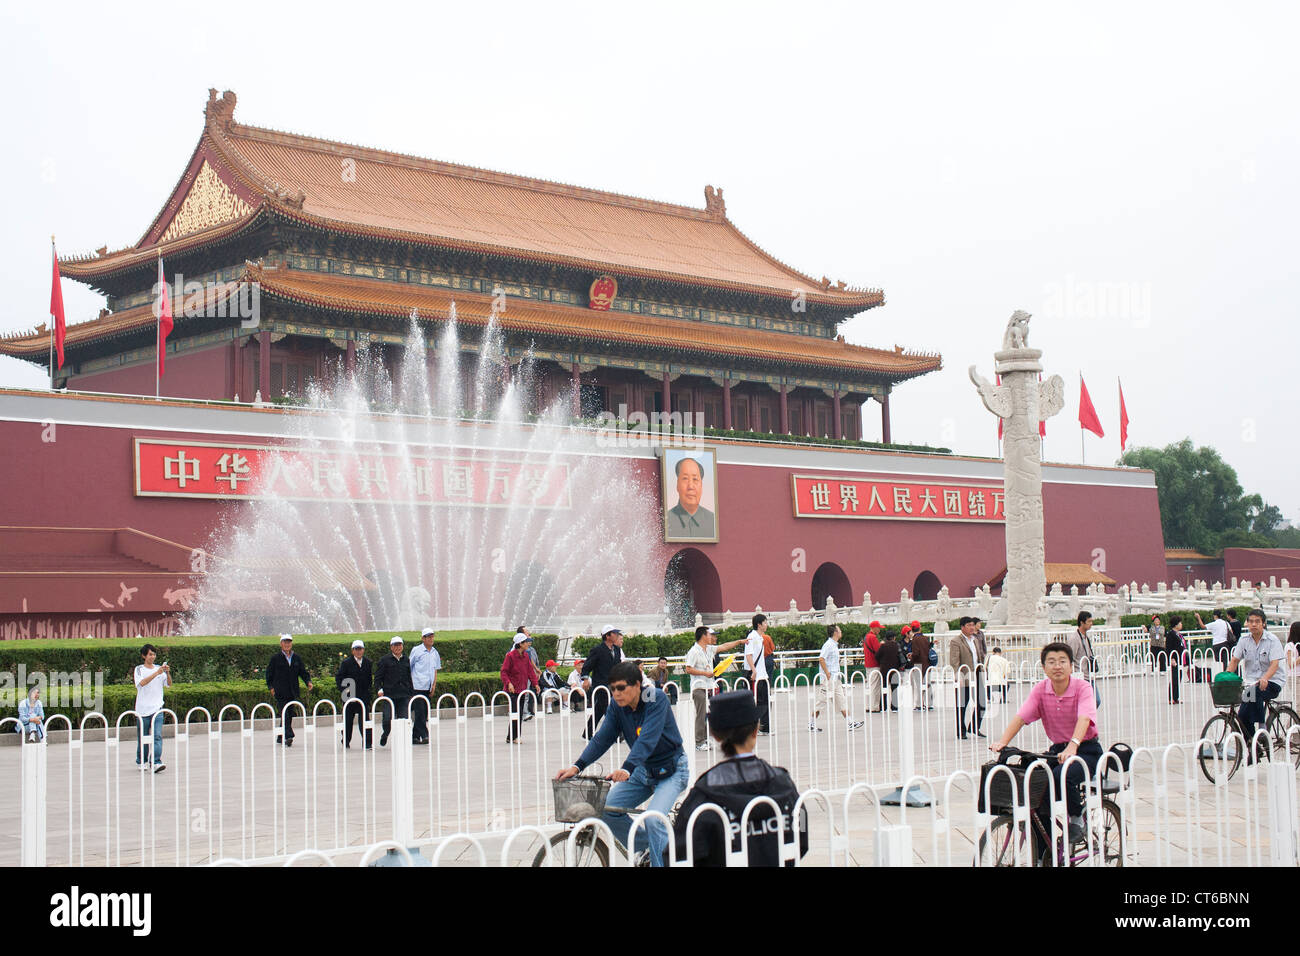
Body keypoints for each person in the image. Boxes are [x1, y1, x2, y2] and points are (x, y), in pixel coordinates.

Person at [554, 661, 689, 867]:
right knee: (605, 808)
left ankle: (660, 853)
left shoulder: (656, 698)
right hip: (643, 771)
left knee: (653, 820)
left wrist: (627, 768)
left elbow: (647, 738)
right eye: (613, 688)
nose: (616, 693)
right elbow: (602, 738)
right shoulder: (617, 707)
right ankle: (654, 846)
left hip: (671, 770)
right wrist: (577, 766)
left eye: (621, 688)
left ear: (637, 685)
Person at [672, 689, 808, 866]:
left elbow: (679, 852)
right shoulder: (784, 784)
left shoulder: (703, 794)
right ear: (756, 728)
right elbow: (801, 836)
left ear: (714, 734)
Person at [991, 642, 1102, 845]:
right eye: (1051, 662)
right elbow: (1021, 717)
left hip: (1086, 749)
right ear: (1044, 667)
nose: (1057, 666)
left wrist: (1073, 746)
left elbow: (1084, 718)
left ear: (1071, 666)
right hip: (1058, 750)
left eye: (1062, 661)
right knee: (1034, 784)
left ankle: (1077, 820)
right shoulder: (1041, 690)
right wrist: (1003, 742)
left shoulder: (1083, 688)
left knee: (1063, 775)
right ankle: (1046, 850)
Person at [1227, 609, 1288, 758]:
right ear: (1247, 623)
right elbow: (1235, 660)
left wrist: (1265, 678)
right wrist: (1226, 676)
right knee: (1241, 716)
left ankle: (1263, 730)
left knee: (1256, 694)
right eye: (1251, 621)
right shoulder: (1244, 640)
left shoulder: (1272, 640)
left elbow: (1274, 664)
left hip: (1273, 681)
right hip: (1252, 684)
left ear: (1263, 623)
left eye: (1257, 622)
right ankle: (1254, 747)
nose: (1254, 624)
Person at [683, 625, 745, 751]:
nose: (713, 637)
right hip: (699, 687)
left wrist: (739, 642)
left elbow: (724, 646)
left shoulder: (709, 649)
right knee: (701, 714)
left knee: (709, 713)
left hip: (709, 686)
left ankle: (705, 738)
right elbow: (688, 668)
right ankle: (699, 742)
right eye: (710, 634)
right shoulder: (694, 651)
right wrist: (705, 673)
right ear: (703, 636)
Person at [809, 625, 863, 732]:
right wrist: (827, 673)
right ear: (835, 632)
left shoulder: (834, 645)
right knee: (821, 701)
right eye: (839, 630)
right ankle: (811, 723)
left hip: (836, 678)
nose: (841, 632)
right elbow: (821, 659)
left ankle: (850, 722)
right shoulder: (828, 645)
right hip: (828, 679)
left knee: (841, 700)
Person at [266, 634, 312, 748]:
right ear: (281, 644)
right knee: (284, 713)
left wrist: (308, 682)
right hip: (280, 691)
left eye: (289, 642)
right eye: (285, 642)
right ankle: (289, 735)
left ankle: (280, 737)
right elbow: (269, 674)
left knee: (289, 714)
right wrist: (271, 687)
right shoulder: (275, 658)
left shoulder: (296, 658)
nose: (287, 644)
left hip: (292, 691)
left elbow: (303, 672)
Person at [580, 625, 624, 737]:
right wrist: (585, 679)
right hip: (601, 685)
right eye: (614, 633)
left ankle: (588, 732)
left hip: (614, 684)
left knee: (600, 709)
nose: (617, 635)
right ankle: (618, 733)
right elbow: (587, 666)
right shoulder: (597, 650)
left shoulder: (617, 650)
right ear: (608, 636)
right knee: (609, 709)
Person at [135, 643, 171, 771]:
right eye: (150, 654)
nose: (152, 657)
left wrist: (167, 673)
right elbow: (142, 683)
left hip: (157, 708)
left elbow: (168, 684)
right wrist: (157, 673)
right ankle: (141, 761)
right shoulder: (139, 669)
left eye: (154, 654)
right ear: (144, 655)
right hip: (143, 709)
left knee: (157, 735)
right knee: (143, 737)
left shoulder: (159, 669)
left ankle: (155, 761)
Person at [950, 616, 987, 738]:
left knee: (982, 702)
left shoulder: (975, 639)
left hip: (977, 673)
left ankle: (974, 726)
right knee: (962, 704)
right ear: (962, 627)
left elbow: (979, 656)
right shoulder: (956, 641)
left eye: (972, 625)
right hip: (964, 675)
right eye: (969, 625)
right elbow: (954, 661)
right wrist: (958, 676)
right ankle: (961, 731)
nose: (972, 627)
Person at [500, 633, 539, 743]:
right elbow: (504, 672)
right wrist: (509, 683)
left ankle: (511, 737)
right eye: (526, 642)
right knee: (515, 713)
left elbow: (530, 671)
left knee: (520, 713)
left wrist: (535, 683)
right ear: (520, 644)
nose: (528, 643)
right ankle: (514, 737)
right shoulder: (510, 656)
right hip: (512, 690)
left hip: (522, 690)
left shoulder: (526, 656)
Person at [374, 636, 412, 747]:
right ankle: (385, 734)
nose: (398, 647)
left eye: (399, 645)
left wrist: (410, 692)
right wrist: (378, 689)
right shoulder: (384, 660)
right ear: (391, 647)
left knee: (403, 719)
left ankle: (402, 742)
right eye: (395, 645)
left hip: (403, 695)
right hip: (389, 695)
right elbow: (377, 678)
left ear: (402, 646)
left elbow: (409, 677)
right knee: (387, 719)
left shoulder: (406, 660)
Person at [666, 456, 716, 539]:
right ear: (677, 485)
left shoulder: (713, 521)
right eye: (685, 479)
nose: (690, 486)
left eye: (695, 479)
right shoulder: (666, 520)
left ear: (702, 485)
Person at [335, 639, 372, 749]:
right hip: (349, 696)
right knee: (347, 720)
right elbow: (339, 678)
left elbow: (369, 679)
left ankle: (367, 742)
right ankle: (345, 741)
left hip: (363, 697)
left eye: (360, 649)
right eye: (356, 649)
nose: (358, 651)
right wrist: (345, 692)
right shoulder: (346, 663)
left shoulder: (368, 662)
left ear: (363, 650)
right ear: (352, 651)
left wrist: (368, 692)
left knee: (365, 720)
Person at [409, 627, 442, 744]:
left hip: (428, 687)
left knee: (424, 712)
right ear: (423, 638)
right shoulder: (416, 650)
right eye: (428, 637)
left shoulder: (435, 652)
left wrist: (434, 686)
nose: (431, 639)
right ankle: (425, 735)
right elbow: (410, 666)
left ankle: (414, 737)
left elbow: (435, 669)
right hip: (417, 686)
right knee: (420, 712)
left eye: (432, 636)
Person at [744, 614, 771, 735]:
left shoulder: (760, 637)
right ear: (759, 624)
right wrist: (754, 670)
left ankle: (764, 727)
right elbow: (748, 655)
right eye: (765, 622)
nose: (766, 624)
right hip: (756, 675)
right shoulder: (752, 637)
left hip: (762, 675)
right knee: (757, 701)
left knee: (765, 701)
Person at [1064, 612, 1099, 706]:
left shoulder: (1086, 637)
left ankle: (1085, 719)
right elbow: (1069, 657)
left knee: (1095, 701)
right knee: (1090, 702)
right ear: (1082, 623)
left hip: (1089, 675)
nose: (1091, 623)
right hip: (1080, 676)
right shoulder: (1074, 639)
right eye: (1089, 621)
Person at [517, 626, 541, 720]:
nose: (529, 633)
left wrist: (536, 672)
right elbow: (530, 662)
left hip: (527, 674)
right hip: (521, 675)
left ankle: (525, 712)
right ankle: (523, 713)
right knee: (524, 694)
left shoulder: (529, 648)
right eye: (527, 632)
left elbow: (531, 663)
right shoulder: (518, 650)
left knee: (527, 694)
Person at [875, 632, 903, 711]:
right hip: (895, 669)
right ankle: (894, 707)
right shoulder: (897, 646)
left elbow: (877, 656)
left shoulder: (883, 646)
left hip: (884, 670)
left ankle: (883, 707)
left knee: (883, 687)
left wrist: (881, 662)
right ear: (893, 637)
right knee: (894, 688)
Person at [862, 621, 883, 712]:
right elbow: (878, 651)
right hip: (875, 664)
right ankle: (874, 706)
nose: (879, 630)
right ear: (874, 628)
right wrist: (881, 644)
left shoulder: (866, 637)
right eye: (878, 628)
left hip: (868, 664)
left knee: (869, 685)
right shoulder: (873, 637)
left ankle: (867, 706)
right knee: (875, 686)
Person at [1165, 615, 1185, 704]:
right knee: (1174, 678)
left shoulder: (1179, 634)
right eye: (1180, 623)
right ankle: (1171, 698)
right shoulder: (1171, 634)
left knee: (1179, 677)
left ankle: (1176, 697)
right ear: (1176, 624)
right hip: (1175, 659)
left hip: (1180, 659)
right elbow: (1168, 647)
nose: (1181, 624)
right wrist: (1172, 658)